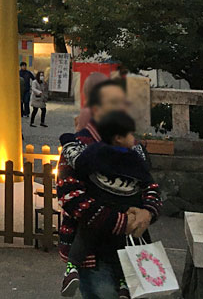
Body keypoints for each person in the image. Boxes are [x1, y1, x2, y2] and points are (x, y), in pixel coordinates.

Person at [57, 80, 161, 299]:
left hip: (131, 247)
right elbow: (70, 196)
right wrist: (121, 222)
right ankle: (72, 271)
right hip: (93, 253)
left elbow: (149, 184)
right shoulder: (79, 145)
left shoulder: (134, 147)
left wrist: (148, 212)